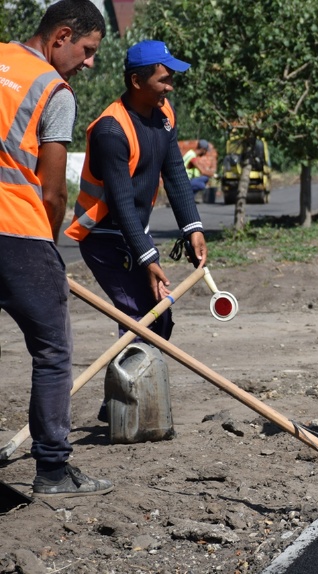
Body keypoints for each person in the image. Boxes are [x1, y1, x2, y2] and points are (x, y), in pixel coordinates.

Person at [0, 0, 112, 498]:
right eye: (87, 51)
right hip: (18, 232)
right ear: (61, 36)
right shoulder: (53, 90)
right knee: (52, 352)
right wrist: (47, 248)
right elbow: (52, 191)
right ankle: (52, 470)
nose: (88, 63)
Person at [64, 40, 208, 420]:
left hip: (133, 234)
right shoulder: (111, 131)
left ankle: (120, 402)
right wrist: (148, 258)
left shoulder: (163, 115)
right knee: (139, 317)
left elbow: (176, 173)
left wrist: (192, 227)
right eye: (164, 79)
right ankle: (122, 408)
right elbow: (122, 202)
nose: (170, 86)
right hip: (105, 237)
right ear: (137, 80)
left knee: (158, 317)